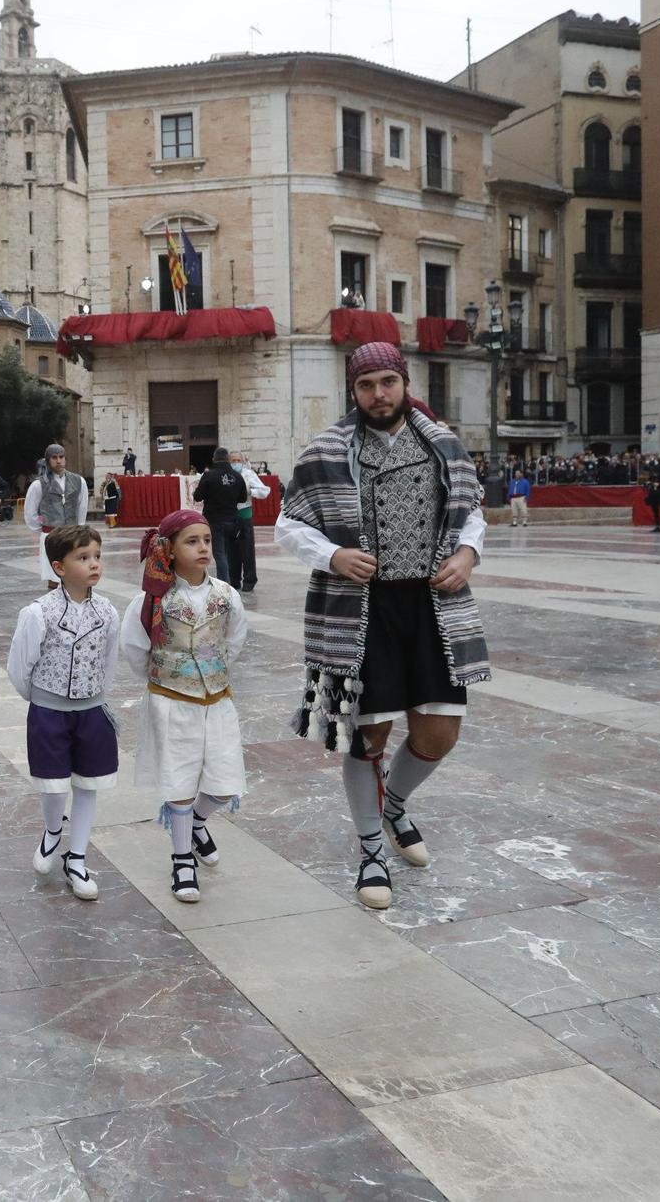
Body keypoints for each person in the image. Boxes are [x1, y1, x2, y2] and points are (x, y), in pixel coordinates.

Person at [276, 340, 490, 912]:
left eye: (387, 383)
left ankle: (394, 803)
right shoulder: (325, 451)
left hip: (432, 605)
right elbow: (289, 523)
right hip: (358, 609)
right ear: (354, 391)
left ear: (403, 382)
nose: (378, 395)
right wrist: (331, 556)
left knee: (438, 732)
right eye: (366, 385)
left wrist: (467, 555)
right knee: (369, 733)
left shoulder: (442, 444)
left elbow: (471, 511)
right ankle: (372, 846)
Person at [118, 509, 249, 905]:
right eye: (192, 541)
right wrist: (164, 678)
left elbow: (236, 640)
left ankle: (196, 823)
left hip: (217, 699)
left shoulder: (226, 595)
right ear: (170, 550)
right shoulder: (154, 599)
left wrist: (213, 670)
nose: (203, 548)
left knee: (224, 783)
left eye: (207, 540)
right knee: (178, 781)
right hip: (172, 701)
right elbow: (135, 648)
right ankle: (181, 861)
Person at [6, 525, 118, 900]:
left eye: (97, 557)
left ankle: (78, 857)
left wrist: (97, 696)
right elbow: (20, 667)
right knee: (54, 786)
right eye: (83, 558)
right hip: (49, 711)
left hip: (91, 710)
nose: (93, 564)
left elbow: (109, 660)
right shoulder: (39, 613)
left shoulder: (107, 611)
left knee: (88, 785)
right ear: (59, 566)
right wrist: (41, 701)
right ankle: (53, 830)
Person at [23, 443, 89, 591]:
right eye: (54, 457)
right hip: (50, 535)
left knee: (73, 573)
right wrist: (43, 529)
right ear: (48, 460)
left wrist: (78, 529)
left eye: (61, 457)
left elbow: (82, 507)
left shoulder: (79, 481)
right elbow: (30, 513)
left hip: (72, 535)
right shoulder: (39, 484)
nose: (58, 461)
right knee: (53, 576)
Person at [192, 447, 249, 591]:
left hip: (214, 520)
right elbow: (243, 498)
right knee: (231, 553)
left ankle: (224, 586)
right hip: (233, 520)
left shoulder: (209, 475)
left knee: (219, 553)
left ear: (214, 459)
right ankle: (234, 581)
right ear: (228, 460)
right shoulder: (237, 476)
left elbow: (198, 496)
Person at [232, 458, 271, 592]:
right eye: (232, 460)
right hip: (229, 515)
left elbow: (264, 491)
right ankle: (234, 580)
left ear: (242, 461)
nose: (235, 462)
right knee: (231, 551)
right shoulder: (225, 474)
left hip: (244, 514)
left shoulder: (248, 474)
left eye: (237, 460)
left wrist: (250, 491)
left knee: (247, 549)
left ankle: (249, 579)